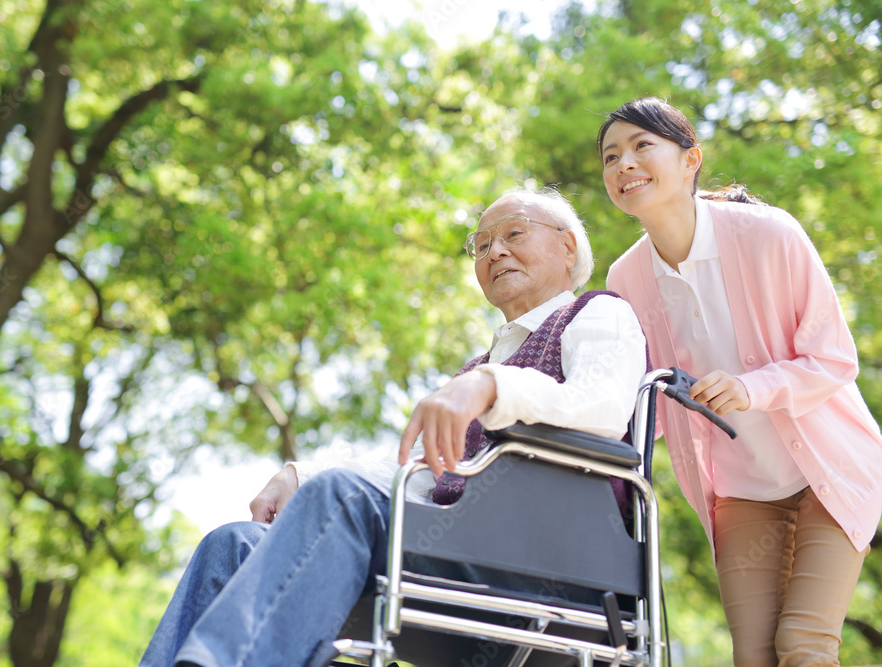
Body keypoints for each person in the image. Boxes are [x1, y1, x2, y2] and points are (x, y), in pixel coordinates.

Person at [139, 187, 648, 667]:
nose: (495, 252)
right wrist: (305, 476)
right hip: (458, 547)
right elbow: (419, 473)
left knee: (342, 497)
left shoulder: (598, 313)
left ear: (566, 247)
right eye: (483, 244)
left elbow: (602, 409)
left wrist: (493, 387)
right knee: (235, 545)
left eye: (514, 234)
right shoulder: (473, 370)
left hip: (557, 558)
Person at [600, 96, 882, 667]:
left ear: (690, 160)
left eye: (641, 146)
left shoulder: (769, 234)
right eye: (610, 157)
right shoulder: (624, 279)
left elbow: (834, 360)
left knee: (803, 646)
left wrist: (753, 388)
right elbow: (646, 407)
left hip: (830, 470)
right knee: (754, 657)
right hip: (740, 492)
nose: (623, 164)